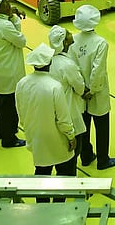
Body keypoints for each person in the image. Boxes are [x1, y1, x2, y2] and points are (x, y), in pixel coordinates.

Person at [15, 44, 77, 203]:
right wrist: (71, 136)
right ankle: (57, 208)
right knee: (63, 174)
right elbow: (63, 118)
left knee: (42, 173)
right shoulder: (54, 86)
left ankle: (42, 208)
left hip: (36, 136)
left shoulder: (22, 83)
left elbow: (20, 111)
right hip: (56, 139)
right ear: (49, 63)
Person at [70, 5, 115, 170]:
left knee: (83, 125)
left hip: (79, 92)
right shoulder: (100, 43)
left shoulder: (73, 41)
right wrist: (93, 90)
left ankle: (85, 156)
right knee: (102, 125)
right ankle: (103, 160)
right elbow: (98, 70)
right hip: (96, 92)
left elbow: (72, 67)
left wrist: (81, 89)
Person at [0, 0, 27, 148]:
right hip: (10, 70)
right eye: (5, 2)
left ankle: (0, 131)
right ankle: (9, 138)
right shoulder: (5, 25)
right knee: (9, 105)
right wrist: (15, 18)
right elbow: (21, 40)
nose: (9, 4)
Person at [48, 26, 86, 161]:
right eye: (68, 34)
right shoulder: (67, 64)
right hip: (70, 112)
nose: (71, 35)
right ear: (64, 42)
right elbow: (79, 87)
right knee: (74, 151)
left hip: (53, 114)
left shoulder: (48, 61)